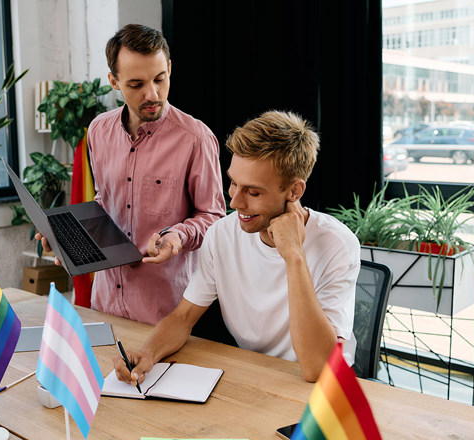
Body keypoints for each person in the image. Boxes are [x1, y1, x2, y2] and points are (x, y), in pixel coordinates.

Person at [113, 110, 360, 383]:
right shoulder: (222, 235)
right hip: (257, 375)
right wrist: (148, 354)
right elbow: (183, 317)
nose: (235, 203)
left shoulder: (338, 244)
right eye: (233, 183)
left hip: (325, 390)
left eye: (253, 192)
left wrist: (294, 256)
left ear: (294, 191)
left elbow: (317, 370)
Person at [39, 24, 225, 325]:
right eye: (136, 84)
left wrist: (178, 235)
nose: (152, 94)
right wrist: (65, 234)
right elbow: (105, 200)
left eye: (160, 79)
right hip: (104, 304)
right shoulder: (98, 130)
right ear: (114, 81)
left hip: (168, 314)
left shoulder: (196, 138)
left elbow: (214, 216)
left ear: (169, 69)